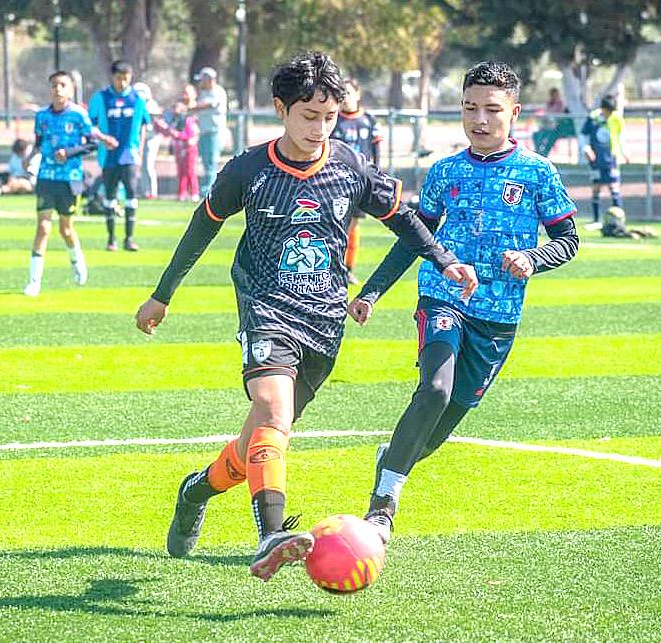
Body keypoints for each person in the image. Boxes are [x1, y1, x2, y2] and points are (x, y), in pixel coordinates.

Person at [136, 52, 477, 581]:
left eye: (329, 117)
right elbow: (203, 225)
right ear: (281, 109)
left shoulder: (350, 166)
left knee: (259, 440)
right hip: (266, 306)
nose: (320, 129)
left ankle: (197, 489)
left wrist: (445, 259)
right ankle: (271, 534)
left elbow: (402, 220)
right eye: (309, 116)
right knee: (273, 411)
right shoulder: (248, 169)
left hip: (324, 318)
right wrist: (163, 295)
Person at [347, 60, 579, 543]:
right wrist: (371, 290)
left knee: (438, 429)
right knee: (434, 390)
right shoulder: (444, 171)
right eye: (470, 108)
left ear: (515, 112)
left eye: (492, 109)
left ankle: (392, 460)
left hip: (499, 317)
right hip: (443, 298)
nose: (480, 119)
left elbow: (568, 239)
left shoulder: (537, 172)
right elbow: (414, 239)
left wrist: (533, 258)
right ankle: (383, 505)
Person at [23, 71, 118, 297]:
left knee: (65, 229)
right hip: (46, 177)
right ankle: (34, 282)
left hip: (70, 179)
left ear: (71, 89)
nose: (58, 89)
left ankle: (78, 262)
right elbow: (39, 142)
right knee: (43, 227)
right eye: (54, 85)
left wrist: (69, 152)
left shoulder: (78, 115)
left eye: (63, 85)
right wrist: (30, 157)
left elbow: (91, 144)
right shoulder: (42, 116)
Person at [89, 61, 151, 252]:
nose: (122, 83)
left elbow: (143, 126)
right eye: (118, 78)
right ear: (112, 77)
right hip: (108, 156)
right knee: (110, 195)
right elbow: (90, 125)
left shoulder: (138, 99)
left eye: (126, 78)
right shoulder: (101, 97)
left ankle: (129, 239)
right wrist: (103, 138)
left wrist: (140, 152)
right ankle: (111, 239)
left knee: (131, 194)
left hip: (130, 156)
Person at [330, 78, 383, 284]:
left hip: (359, 182)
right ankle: (332, 268)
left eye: (348, 93)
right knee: (334, 226)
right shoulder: (334, 120)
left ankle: (348, 269)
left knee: (352, 226)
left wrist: (376, 176)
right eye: (341, 94)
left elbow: (376, 152)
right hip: (336, 182)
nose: (345, 98)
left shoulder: (369, 121)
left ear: (358, 94)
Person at [581, 94, 626, 229]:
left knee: (614, 187)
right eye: (608, 111)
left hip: (611, 158)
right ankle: (596, 220)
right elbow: (583, 134)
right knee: (596, 188)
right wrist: (586, 148)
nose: (609, 114)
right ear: (602, 109)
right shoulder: (593, 117)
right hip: (596, 159)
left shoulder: (616, 118)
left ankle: (619, 220)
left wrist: (624, 152)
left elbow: (620, 135)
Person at [191, 67, 228, 198]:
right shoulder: (203, 93)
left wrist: (191, 107)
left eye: (202, 79)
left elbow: (210, 104)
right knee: (206, 163)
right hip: (204, 132)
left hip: (214, 132)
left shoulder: (218, 92)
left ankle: (209, 192)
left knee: (211, 163)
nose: (200, 82)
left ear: (210, 79)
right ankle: (206, 191)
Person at [161, 94, 200, 201]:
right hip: (179, 149)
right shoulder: (174, 121)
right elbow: (168, 133)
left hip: (189, 149)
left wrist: (177, 134)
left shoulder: (188, 120)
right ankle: (182, 193)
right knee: (181, 172)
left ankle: (194, 193)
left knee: (190, 171)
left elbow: (190, 135)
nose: (174, 110)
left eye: (177, 107)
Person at [134, 82, 162, 200]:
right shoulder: (136, 105)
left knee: (148, 165)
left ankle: (152, 191)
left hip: (152, 138)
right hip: (142, 138)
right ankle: (145, 191)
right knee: (142, 166)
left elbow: (156, 116)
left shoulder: (151, 105)